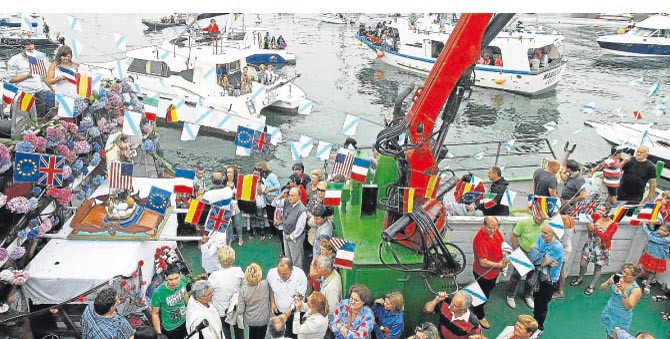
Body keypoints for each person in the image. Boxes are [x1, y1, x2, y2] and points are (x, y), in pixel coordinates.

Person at [570, 204, 619, 296]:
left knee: (597, 268)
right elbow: (585, 214)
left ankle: (591, 286)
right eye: (599, 209)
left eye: (603, 210)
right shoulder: (595, 217)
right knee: (583, 264)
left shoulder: (613, 225)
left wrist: (594, 228)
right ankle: (580, 278)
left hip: (602, 248)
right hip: (590, 244)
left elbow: (606, 237)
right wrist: (589, 222)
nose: (600, 212)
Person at [472, 216, 508, 329]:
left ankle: (474, 299)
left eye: (495, 228)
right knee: (483, 295)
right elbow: (483, 262)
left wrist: (505, 253)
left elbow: (502, 244)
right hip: (483, 273)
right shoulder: (479, 240)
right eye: (490, 228)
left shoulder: (496, 232)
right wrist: (500, 265)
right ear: (484, 225)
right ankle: (479, 315)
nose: (493, 230)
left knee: (487, 290)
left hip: (493, 273)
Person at [527, 224, 564, 335]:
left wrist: (541, 259)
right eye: (542, 231)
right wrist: (544, 260)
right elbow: (531, 255)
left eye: (546, 233)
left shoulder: (557, 247)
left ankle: (539, 327)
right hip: (539, 277)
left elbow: (540, 262)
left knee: (542, 305)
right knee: (537, 300)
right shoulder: (540, 237)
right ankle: (535, 322)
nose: (542, 234)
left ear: (553, 234)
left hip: (549, 281)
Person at [505, 213, 545, 310]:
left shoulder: (547, 224)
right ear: (534, 213)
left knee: (532, 277)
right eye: (538, 215)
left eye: (542, 216)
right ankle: (510, 295)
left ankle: (527, 295)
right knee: (516, 275)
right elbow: (514, 235)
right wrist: (516, 251)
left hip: (539, 254)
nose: (540, 218)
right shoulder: (524, 222)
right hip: (524, 252)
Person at [6, 42, 53, 119]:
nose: (31, 51)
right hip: (24, 93)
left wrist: (53, 88)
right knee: (24, 118)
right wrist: (27, 76)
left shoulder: (37, 58)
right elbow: (10, 79)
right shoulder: (14, 60)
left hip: (38, 92)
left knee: (39, 117)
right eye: (29, 50)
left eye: (33, 49)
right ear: (22, 49)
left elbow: (44, 77)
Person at [207, 246, 245, 339]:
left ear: (219, 259)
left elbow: (209, 291)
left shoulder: (214, 276)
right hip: (235, 308)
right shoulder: (238, 271)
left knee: (225, 331)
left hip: (221, 311)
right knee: (239, 330)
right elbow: (244, 286)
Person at [268, 257, 308, 339]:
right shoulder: (271, 274)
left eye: (285, 273)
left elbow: (298, 299)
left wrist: (286, 315)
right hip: (279, 312)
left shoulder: (300, 276)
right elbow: (271, 287)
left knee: (295, 335)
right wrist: (272, 302)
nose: (282, 276)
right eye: (280, 273)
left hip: (294, 315)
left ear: (291, 269)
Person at [600, 263, 643, 339]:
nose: (624, 275)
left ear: (635, 276)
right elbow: (602, 288)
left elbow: (628, 307)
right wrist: (608, 282)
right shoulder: (617, 277)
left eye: (628, 274)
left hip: (621, 317)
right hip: (609, 311)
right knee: (608, 332)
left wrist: (623, 292)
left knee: (615, 336)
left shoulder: (636, 290)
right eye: (624, 271)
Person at [272, 188, 308, 271]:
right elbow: (274, 203)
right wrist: (281, 194)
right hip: (286, 234)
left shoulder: (302, 210)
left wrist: (291, 236)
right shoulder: (286, 202)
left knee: (296, 259)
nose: (290, 197)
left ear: (299, 197)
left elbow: (300, 228)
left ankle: (298, 275)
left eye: (292, 196)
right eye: (289, 195)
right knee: (288, 256)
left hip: (295, 238)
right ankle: (289, 272)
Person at [151, 264, 188, 339]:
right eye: (170, 279)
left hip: (186, 320)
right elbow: (155, 313)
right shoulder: (158, 292)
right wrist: (159, 334)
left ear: (180, 274)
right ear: (165, 277)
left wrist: (189, 307)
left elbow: (185, 293)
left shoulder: (183, 280)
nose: (174, 282)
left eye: (176, 278)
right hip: (171, 328)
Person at [238, 263, 271, 339]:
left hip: (251, 320)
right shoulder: (265, 284)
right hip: (263, 319)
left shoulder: (243, 289)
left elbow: (240, 310)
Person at [638, 224, 670, 294]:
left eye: (664, 231)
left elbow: (651, 237)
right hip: (650, 255)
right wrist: (648, 224)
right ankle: (648, 280)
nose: (661, 232)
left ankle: (647, 285)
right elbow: (652, 230)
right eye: (661, 229)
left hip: (658, 258)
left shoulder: (666, 239)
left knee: (652, 271)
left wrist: (644, 226)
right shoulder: (657, 234)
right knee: (646, 268)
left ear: (668, 233)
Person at [258, 161, 281, 241]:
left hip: (274, 200)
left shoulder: (271, 176)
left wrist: (268, 190)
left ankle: (278, 233)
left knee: (277, 217)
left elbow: (278, 186)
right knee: (270, 217)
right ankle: (272, 232)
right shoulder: (262, 177)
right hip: (267, 201)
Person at [223, 165, 244, 246]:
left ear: (234, 173)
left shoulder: (238, 182)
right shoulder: (224, 183)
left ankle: (240, 237)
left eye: (230, 172)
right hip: (227, 206)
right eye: (227, 172)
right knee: (229, 224)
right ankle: (230, 238)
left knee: (238, 222)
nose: (229, 174)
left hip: (236, 205)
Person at [250, 165, 267, 240]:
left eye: (257, 174)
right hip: (251, 203)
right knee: (252, 217)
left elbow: (260, 193)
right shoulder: (249, 178)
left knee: (260, 218)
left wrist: (258, 182)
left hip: (259, 203)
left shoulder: (263, 181)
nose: (255, 175)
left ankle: (262, 232)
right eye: (254, 174)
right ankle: (253, 231)